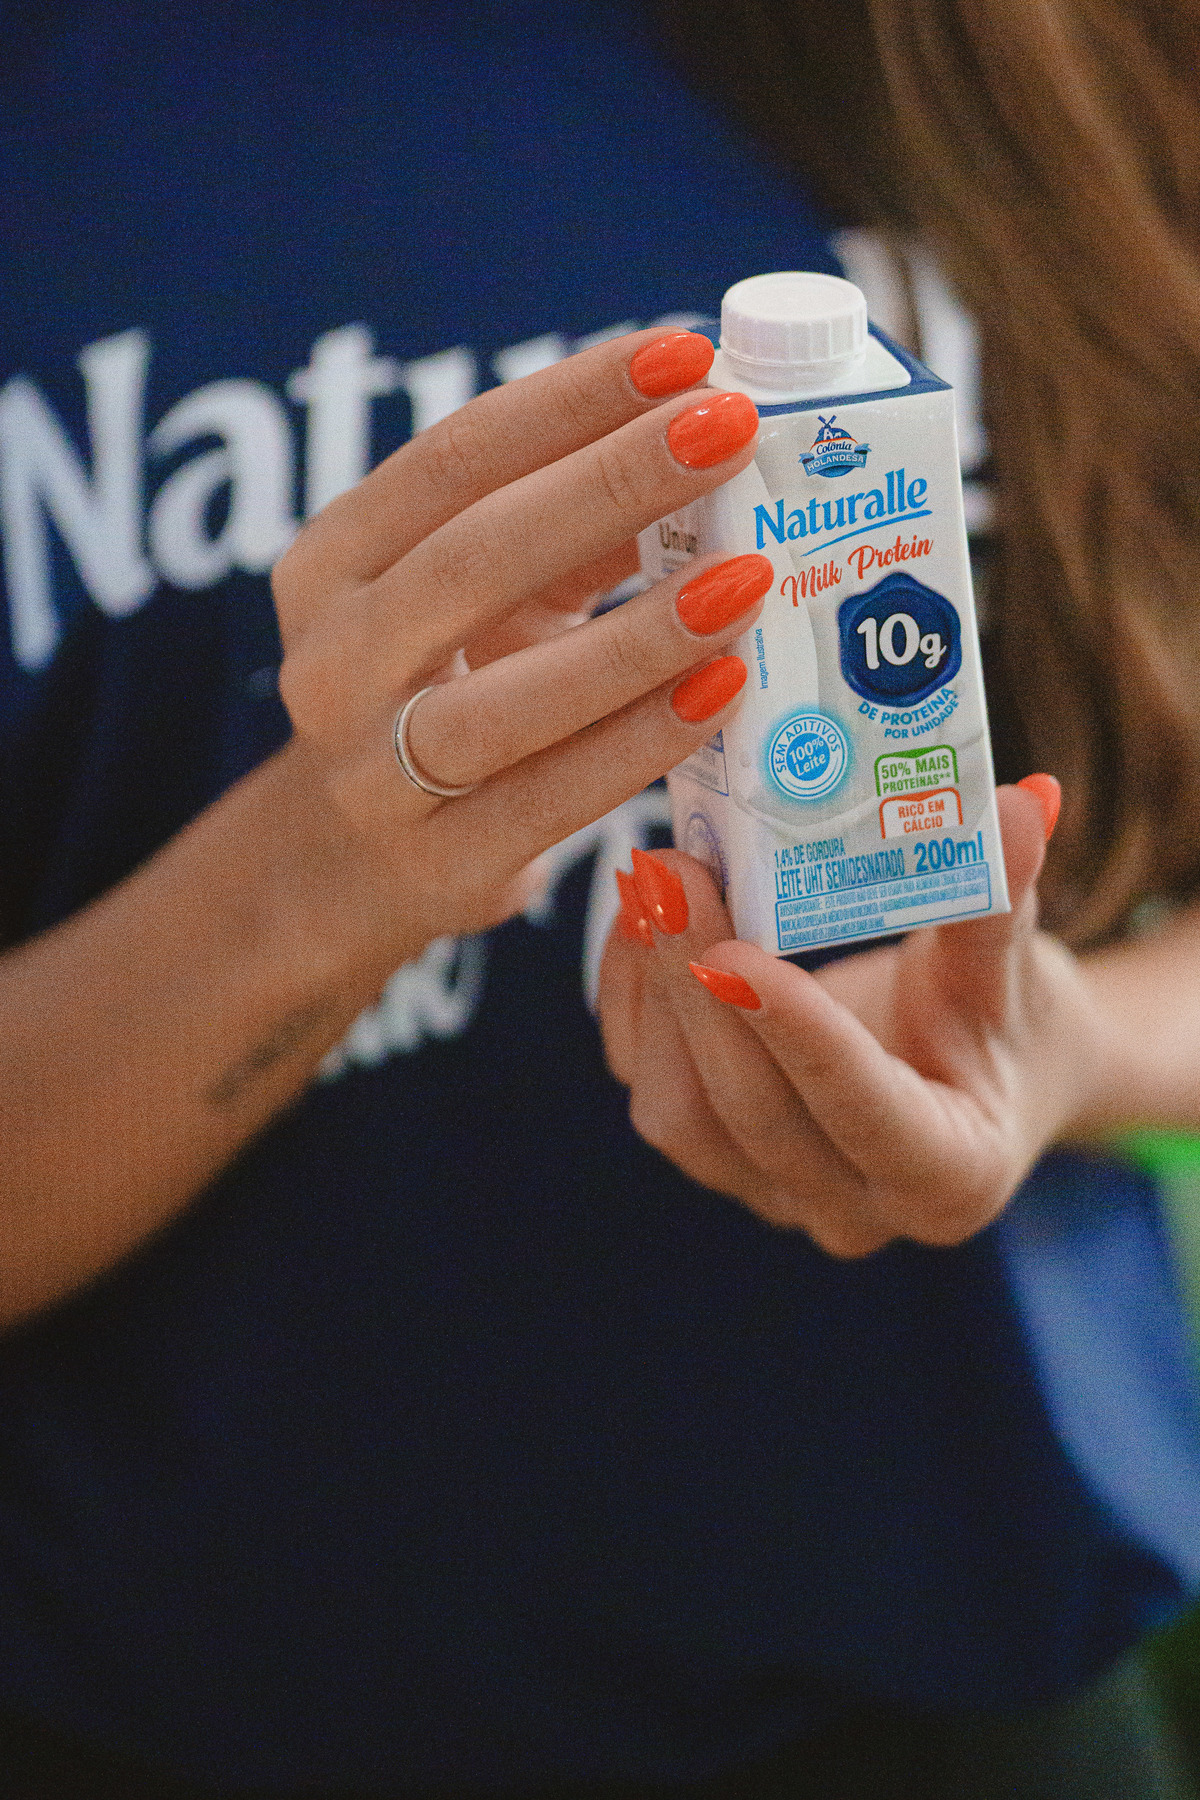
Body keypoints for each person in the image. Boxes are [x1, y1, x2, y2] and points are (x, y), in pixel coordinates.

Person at [0, 2, 1198, 1797]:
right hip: (178, 1709)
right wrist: (322, 872)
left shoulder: (1040, 42)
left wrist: (1065, 1045)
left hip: (962, 1669)